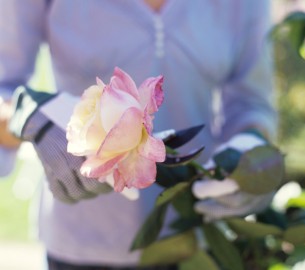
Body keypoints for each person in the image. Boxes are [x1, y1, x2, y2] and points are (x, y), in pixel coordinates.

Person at [0, 0, 278, 269]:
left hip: (197, 242)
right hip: (83, 248)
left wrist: (251, 153)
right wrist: (31, 120)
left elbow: (252, 105)